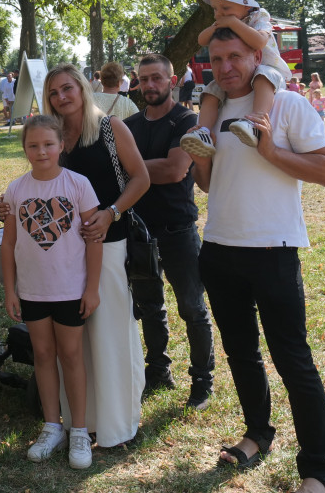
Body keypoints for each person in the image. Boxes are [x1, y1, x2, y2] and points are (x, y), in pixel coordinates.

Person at [184, 27, 325, 493]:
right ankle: (257, 434)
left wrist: (269, 148)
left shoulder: (285, 105)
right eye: (216, 58)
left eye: (235, 56)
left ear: (256, 55)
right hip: (219, 250)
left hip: (273, 250)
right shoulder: (210, 113)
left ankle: (316, 469)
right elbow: (210, 185)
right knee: (242, 355)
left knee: (293, 360)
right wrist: (201, 157)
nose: (226, 67)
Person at [40, 64, 149, 448]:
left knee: (109, 333)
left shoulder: (110, 127)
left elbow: (141, 178)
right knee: (75, 340)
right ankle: (80, 423)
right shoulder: (50, 137)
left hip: (110, 243)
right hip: (65, 253)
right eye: (53, 92)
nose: (61, 97)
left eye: (67, 88)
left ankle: (117, 423)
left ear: (82, 88)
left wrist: (111, 212)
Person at [2, 115, 101, 468]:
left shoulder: (79, 185)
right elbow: (9, 242)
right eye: (33, 145)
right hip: (32, 292)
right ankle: (51, 425)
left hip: (70, 289)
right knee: (42, 355)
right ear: (25, 148)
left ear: (61, 145)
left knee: (71, 356)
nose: (41, 151)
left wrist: (91, 288)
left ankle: (78, 430)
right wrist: (10, 290)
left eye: (48, 144)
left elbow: (93, 240)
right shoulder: (15, 190)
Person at [126, 54, 215, 410]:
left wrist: (131, 169)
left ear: (172, 79)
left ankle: (202, 380)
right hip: (139, 232)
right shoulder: (130, 125)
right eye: (144, 79)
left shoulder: (188, 121)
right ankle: (158, 370)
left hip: (178, 230)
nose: (150, 85)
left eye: (157, 79)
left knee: (193, 308)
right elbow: (125, 170)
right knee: (149, 306)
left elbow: (176, 170)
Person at [180, 0, 292, 157]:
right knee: (211, 90)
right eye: (215, 9)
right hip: (240, 73)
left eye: (225, 8)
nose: (219, 14)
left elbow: (258, 42)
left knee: (262, 77)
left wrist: (232, 22)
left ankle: (254, 122)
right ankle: (203, 132)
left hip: (267, 70)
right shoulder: (224, 22)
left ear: (247, 7)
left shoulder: (259, 17)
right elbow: (201, 39)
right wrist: (221, 23)